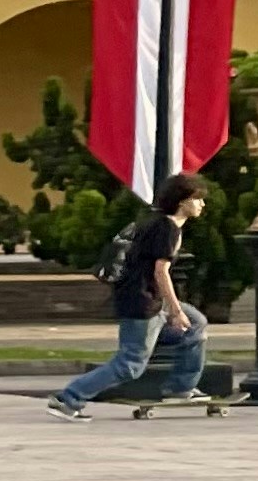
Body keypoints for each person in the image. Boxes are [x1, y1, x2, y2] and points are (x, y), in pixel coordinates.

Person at [49, 175, 213, 418]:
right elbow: (161, 271)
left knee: (196, 324)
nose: (202, 204)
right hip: (143, 302)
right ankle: (69, 397)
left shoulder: (153, 222)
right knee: (130, 364)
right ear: (182, 202)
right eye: (197, 199)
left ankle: (182, 387)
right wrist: (175, 311)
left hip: (144, 298)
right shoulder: (168, 229)